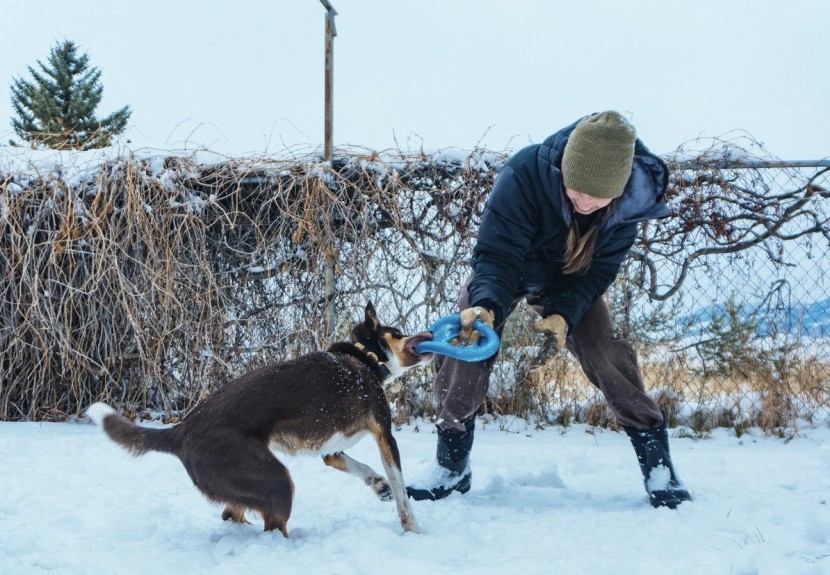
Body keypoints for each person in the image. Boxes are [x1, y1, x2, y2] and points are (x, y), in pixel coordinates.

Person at [407, 110, 692, 508]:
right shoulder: (524, 175)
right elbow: (496, 254)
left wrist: (563, 313)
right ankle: (451, 466)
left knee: (605, 350)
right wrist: (486, 305)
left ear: (618, 188)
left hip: (572, 280)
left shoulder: (631, 204)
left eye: (596, 196)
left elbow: (598, 274)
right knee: (468, 337)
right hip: (508, 272)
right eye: (576, 190)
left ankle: (658, 467)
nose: (584, 202)